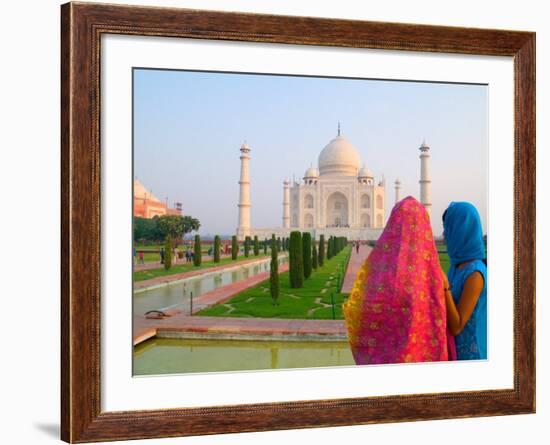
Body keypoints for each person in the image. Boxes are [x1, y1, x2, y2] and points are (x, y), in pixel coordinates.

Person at [342, 196, 455, 365]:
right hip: (423, 363)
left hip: (386, 365)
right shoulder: (433, 275)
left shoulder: (380, 271)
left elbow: (365, 311)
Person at [442, 202, 487, 360]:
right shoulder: (457, 265)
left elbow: (457, 327)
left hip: (473, 357)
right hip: (456, 352)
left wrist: (444, 287)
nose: (444, 234)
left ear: (461, 231)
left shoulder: (475, 274)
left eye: (448, 228)